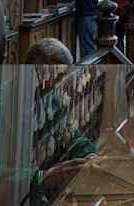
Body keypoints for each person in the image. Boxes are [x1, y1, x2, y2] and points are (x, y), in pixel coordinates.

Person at [23, 38, 98, 205]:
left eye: (61, 77)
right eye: (53, 76)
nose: (57, 84)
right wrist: (44, 178)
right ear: (35, 73)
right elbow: (0, 176)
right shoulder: (6, 102)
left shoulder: (52, 97)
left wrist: (90, 156)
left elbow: (71, 136)